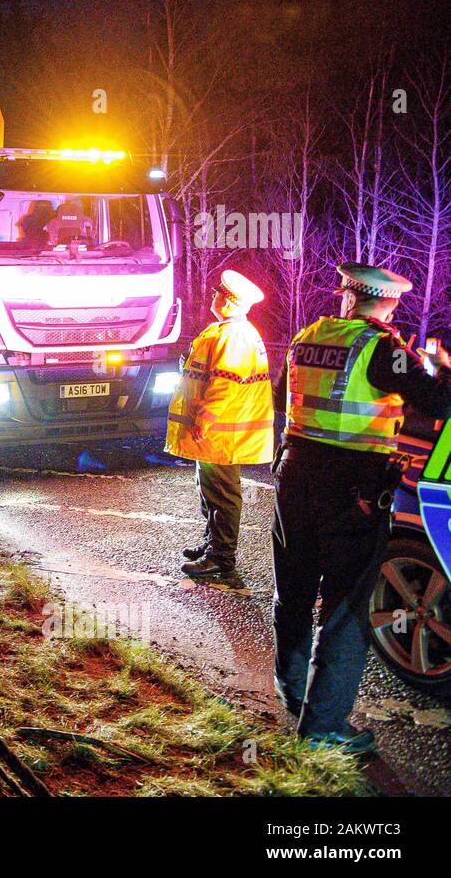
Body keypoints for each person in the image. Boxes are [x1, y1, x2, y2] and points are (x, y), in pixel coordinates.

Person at [272, 263, 451, 753]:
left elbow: (281, 399)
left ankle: (292, 692)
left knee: (293, 589)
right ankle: (324, 727)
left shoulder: (308, 336)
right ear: (390, 304)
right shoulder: (383, 347)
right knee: (346, 605)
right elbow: (440, 402)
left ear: (346, 295)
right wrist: (439, 363)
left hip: (295, 476)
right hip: (352, 490)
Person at [165, 270, 274, 577]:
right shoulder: (227, 331)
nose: (213, 297)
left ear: (228, 301)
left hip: (222, 432)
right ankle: (212, 543)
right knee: (210, 490)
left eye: (217, 293)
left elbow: (225, 384)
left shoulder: (234, 335)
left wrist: (206, 419)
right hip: (218, 433)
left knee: (223, 495)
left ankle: (222, 556)